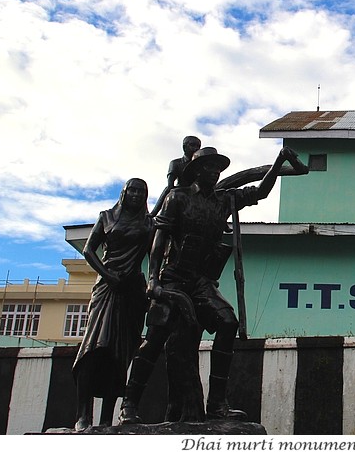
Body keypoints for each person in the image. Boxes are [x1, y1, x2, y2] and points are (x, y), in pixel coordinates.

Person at [118, 146, 300, 424]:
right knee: (155, 339)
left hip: (200, 281)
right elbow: (159, 240)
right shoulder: (177, 198)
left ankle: (217, 404)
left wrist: (278, 162)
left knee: (227, 322)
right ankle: (129, 404)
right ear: (197, 172)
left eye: (218, 169)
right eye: (209, 168)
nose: (215, 173)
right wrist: (153, 279)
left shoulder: (223, 200)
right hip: (173, 279)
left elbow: (260, 192)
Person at [72, 178, 154, 431]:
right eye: (133, 189)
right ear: (124, 192)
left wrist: (152, 283)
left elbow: (156, 256)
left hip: (132, 293)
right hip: (107, 288)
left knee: (119, 356)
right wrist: (107, 275)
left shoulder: (149, 224)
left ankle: (107, 418)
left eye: (141, 191)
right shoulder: (107, 217)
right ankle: (83, 414)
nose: (136, 194)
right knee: (94, 349)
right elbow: (88, 250)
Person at [149, 135, 202, 217]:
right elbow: (170, 184)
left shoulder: (200, 165)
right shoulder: (175, 163)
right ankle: (154, 213)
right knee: (168, 190)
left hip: (197, 192)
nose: (195, 148)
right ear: (184, 147)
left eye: (198, 146)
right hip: (180, 191)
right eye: (192, 145)